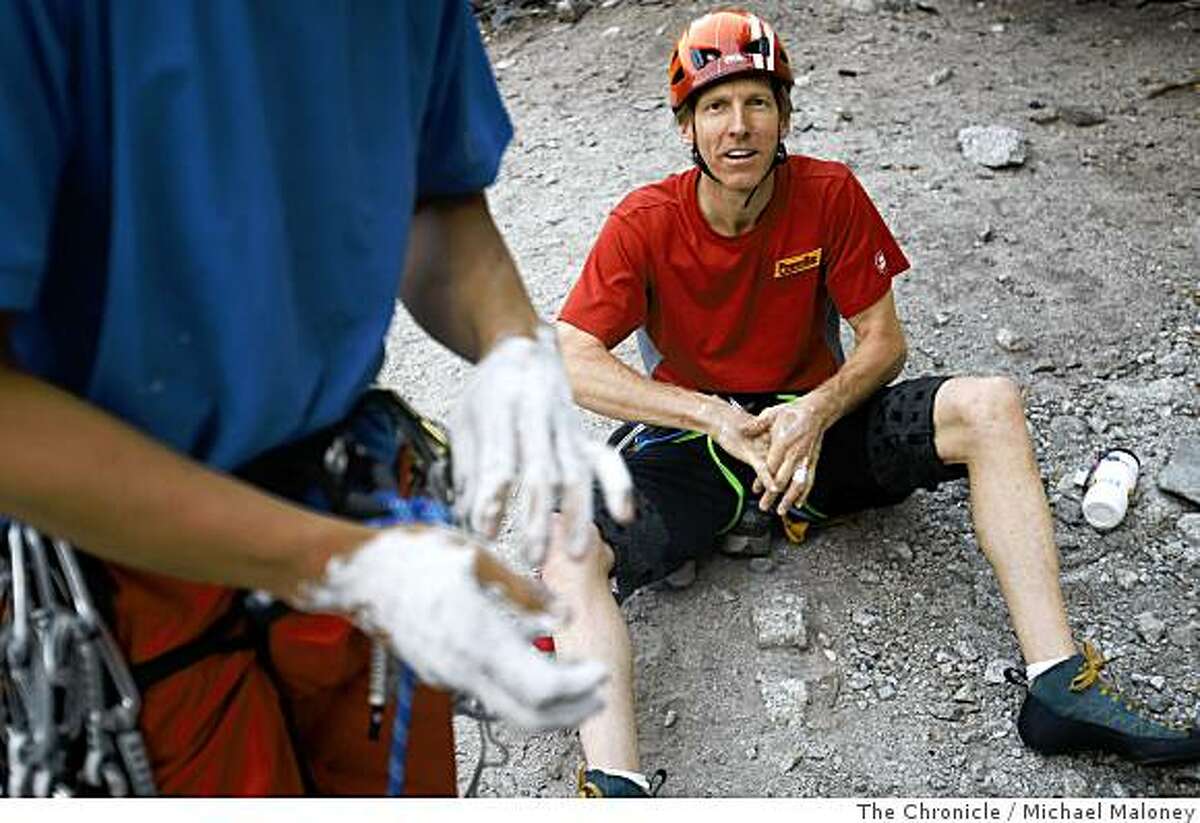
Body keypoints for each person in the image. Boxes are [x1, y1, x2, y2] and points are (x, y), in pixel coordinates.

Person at [546, 7, 1200, 797]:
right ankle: (616, 785)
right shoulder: (645, 222)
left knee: (990, 404)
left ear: (784, 113)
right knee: (566, 538)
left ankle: (1056, 681)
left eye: (757, 101)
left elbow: (884, 341)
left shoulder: (828, 192)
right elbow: (573, 359)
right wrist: (717, 414)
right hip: (701, 447)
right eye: (715, 107)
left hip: (819, 428)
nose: (739, 125)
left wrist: (815, 411)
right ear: (688, 128)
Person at [0, 0, 631, 796]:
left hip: (344, 492)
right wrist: (342, 566)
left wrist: (511, 341)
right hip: (113, 550)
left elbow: (435, 203)